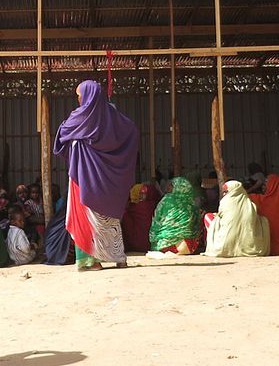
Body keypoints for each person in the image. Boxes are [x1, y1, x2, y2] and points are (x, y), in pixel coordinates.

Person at [53, 80, 138, 272]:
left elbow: (62, 135)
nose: (78, 99)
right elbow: (131, 130)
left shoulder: (79, 118)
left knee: (86, 218)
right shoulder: (113, 118)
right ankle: (118, 258)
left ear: (88, 96)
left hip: (84, 178)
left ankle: (91, 261)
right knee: (109, 219)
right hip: (109, 182)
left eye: (79, 95)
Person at [204, 180, 270, 257]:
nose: (224, 194)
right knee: (263, 220)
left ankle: (211, 243)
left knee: (209, 217)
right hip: (250, 247)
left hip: (224, 247)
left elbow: (220, 216)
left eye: (226, 191)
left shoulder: (225, 202)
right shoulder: (251, 205)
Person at [148, 177, 202, 255]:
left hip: (167, 247)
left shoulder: (167, 199)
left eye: (172, 186)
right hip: (189, 247)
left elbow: (156, 221)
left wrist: (153, 239)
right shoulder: (192, 203)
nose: (168, 188)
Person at [250, 174, 279, 255]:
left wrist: (249, 190)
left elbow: (255, 199)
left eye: (267, 182)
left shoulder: (266, 199)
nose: (264, 184)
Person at [121, 183, 162, 253]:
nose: (142, 196)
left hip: (133, 245)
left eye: (144, 194)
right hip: (149, 245)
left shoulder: (130, 208)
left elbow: (126, 226)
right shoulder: (153, 205)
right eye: (140, 193)